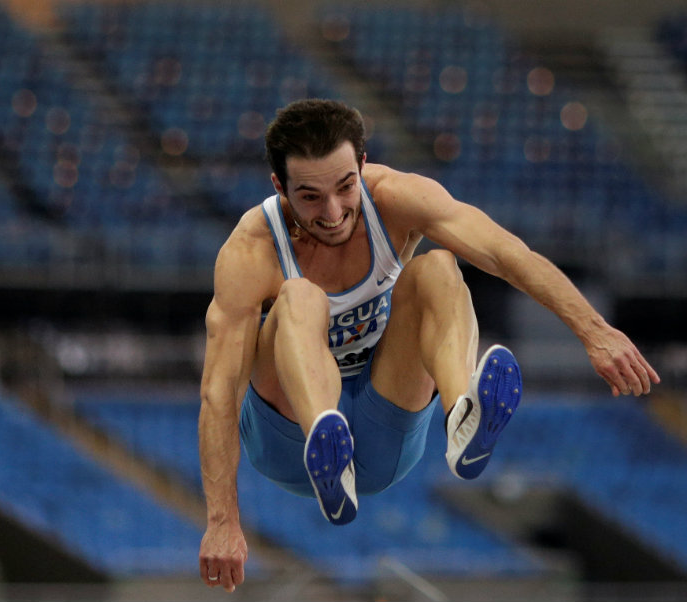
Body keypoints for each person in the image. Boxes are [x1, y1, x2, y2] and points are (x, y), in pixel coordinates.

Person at [197, 98, 660, 592]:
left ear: (363, 165)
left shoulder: (399, 199)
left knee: (439, 268)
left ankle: (462, 415)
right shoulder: (251, 249)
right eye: (309, 197)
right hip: (287, 439)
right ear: (278, 187)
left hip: (387, 426)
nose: (332, 213)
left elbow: (507, 254)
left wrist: (594, 330)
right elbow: (219, 392)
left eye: (345, 188)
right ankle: (324, 443)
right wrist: (223, 520)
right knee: (299, 297)